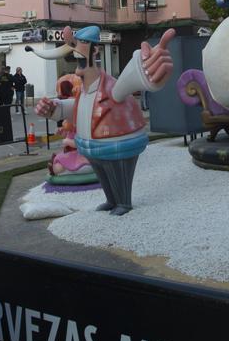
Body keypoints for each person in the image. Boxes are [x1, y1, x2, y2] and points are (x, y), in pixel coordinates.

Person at [33, 25, 176, 215]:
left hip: (118, 144)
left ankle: (123, 202)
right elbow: (77, 107)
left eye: (81, 62)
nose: (77, 70)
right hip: (92, 146)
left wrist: (148, 68)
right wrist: (53, 109)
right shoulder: (84, 90)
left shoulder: (112, 87)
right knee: (102, 173)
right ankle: (111, 200)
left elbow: (134, 77)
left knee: (118, 172)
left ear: (95, 51)